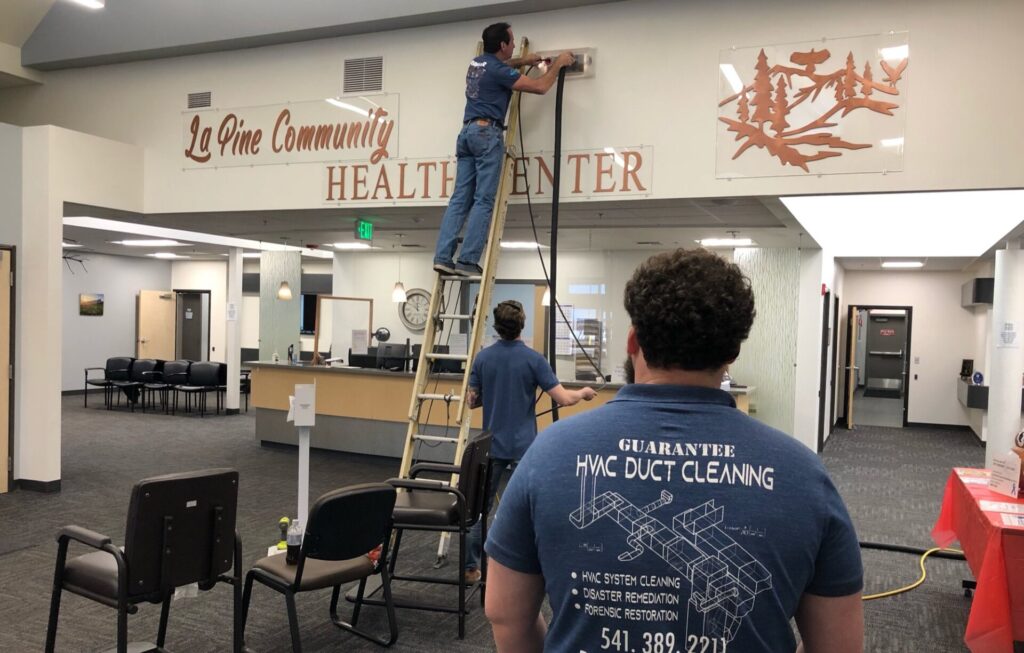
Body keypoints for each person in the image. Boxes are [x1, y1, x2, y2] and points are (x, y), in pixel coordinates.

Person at [484, 249, 864, 653]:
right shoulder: (802, 474)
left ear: (633, 340)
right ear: (732, 353)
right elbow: (839, 647)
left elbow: (505, 615)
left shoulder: (548, 453)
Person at [464, 299, 596, 581]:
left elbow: (472, 402)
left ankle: (471, 568)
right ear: (521, 325)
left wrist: (494, 392)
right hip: (524, 448)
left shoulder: (483, 358)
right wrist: (583, 393)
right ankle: (520, 564)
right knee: (524, 509)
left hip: (491, 446)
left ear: (497, 326)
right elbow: (563, 399)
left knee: (479, 509)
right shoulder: (534, 359)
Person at [433, 23, 575, 276]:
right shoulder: (498, 71)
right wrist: (558, 64)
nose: (514, 44)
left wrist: (523, 61)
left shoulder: (476, 63)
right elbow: (540, 87)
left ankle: (443, 257)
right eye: (511, 41)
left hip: (466, 133)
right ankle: (467, 260)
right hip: (487, 134)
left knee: (459, 199)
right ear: (502, 45)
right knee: (483, 199)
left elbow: (501, 67)